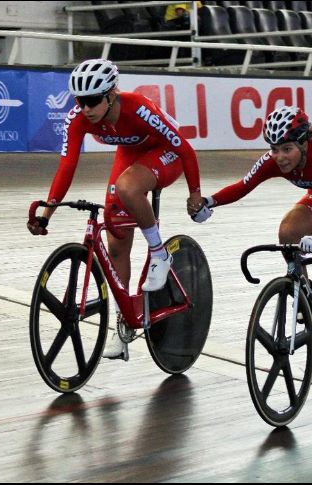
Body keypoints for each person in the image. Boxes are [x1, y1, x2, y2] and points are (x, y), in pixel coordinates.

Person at [189, 106, 312, 390]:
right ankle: (304, 287)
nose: (279, 157)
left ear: (304, 143)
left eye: (287, 149)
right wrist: (210, 202)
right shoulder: (274, 160)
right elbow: (243, 185)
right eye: (275, 149)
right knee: (287, 231)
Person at [27, 58, 203, 361]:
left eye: (92, 101)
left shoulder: (137, 107)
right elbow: (67, 167)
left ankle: (160, 253)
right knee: (116, 243)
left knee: (127, 186)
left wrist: (195, 194)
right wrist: (47, 213)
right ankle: (125, 324)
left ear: (111, 95)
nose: (85, 109)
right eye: (80, 101)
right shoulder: (78, 119)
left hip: (167, 154)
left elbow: (184, 148)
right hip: (131, 156)